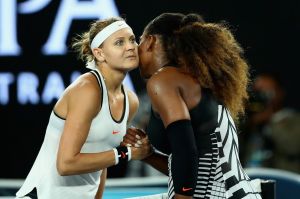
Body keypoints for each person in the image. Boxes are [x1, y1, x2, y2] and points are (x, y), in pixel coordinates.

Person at [122, 13, 262, 199]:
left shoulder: (163, 80)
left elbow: (185, 152)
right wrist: (149, 155)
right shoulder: (203, 82)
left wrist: (182, 197)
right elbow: (196, 167)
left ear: (150, 41)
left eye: (139, 41)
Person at [16, 17, 151, 199]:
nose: (130, 47)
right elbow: (65, 164)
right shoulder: (87, 89)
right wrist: (126, 153)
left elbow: (102, 160)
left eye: (132, 39)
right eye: (119, 42)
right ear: (99, 54)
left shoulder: (131, 101)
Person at [240, 73, 300, 173]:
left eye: (267, 92)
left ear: (280, 93)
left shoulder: (294, 120)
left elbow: (292, 147)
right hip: (249, 179)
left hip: (283, 181)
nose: (262, 96)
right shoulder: (249, 121)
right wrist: (248, 124)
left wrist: (270, 120)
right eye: (258, 92)